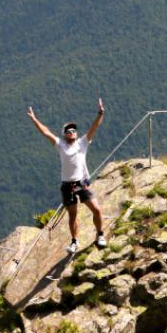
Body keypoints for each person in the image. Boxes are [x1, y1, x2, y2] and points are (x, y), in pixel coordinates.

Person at [27, 98, 107, 254]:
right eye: (69, 131)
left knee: (96, 210)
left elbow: (94, 126)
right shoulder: (60, 144)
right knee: (72, 215)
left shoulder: (83, 142)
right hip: (67, 185)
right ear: (64, 134)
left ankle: (100, 234)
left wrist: (100, 113)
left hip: (81, 183)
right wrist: (34, 119)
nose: (72, 132)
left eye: (74, 130)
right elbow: (45, 132)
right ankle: (75, 241)